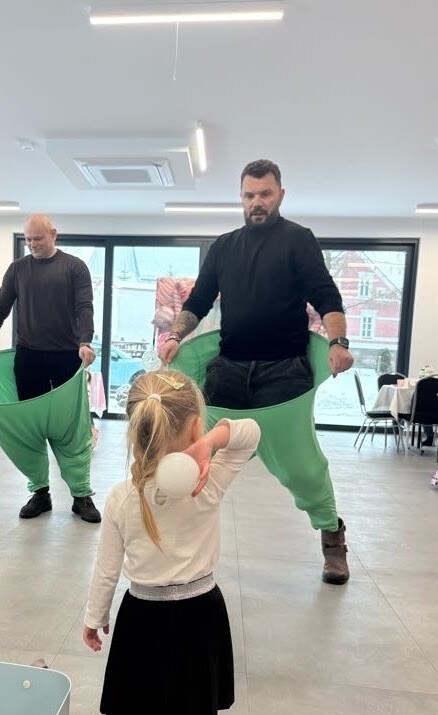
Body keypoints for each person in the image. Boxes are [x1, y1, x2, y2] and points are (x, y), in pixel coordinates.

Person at [160, 159, 354, 585]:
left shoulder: (298, 240)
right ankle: (176, 540)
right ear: (241, 198)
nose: (257, 202)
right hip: (228, 370)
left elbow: (326, 295)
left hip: (284, 373)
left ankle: (332, 536)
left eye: (265, 194)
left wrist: (338, 342)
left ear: (280, 194)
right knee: (197, 455)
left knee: (301, 468)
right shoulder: (224, 246)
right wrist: (175, 335)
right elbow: (198, 301)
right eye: (249, 195)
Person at [83, 370, 260, 715]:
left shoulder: (121, 498)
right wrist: (211, 444)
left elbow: (106, 569)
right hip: (202, 616)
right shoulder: (209, 482)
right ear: (196, 426)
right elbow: (250, 433)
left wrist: (94, 617)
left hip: (143, 622)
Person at [0, 214, 101, 523]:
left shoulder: (74, 267)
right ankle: (40, 492)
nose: (32, 245)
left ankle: (81, 495)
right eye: (28, 239)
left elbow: (84, 306)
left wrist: (85, 341)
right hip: (29, 357)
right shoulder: (18, 270)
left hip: (68, 357)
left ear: (53, 234)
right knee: (29, 426)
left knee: (72, 427)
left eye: (38, 238)